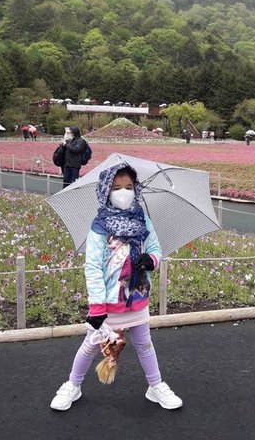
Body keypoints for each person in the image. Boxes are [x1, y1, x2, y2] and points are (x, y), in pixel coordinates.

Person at [50, 163, 182, 411]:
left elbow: (155, 248)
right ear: (105, 191)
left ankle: (156, 386)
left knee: (144, 344)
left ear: (137, 189)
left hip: (137, 296)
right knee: (90, 345)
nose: (124, 192)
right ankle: (72, 385)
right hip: (108, 302)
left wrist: (150, 259)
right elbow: (93, 267)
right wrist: (97, 305)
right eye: (117, 187)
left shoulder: (143, 220)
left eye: (129, 187)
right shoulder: (100, 226)